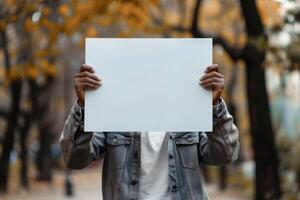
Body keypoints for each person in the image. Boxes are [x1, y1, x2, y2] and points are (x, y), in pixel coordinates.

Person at [59, 63, 239, 200]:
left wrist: (215, 106)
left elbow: (224, 155)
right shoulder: (113, 118)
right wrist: (83, 107)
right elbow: (74, 159)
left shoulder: (189, 116)